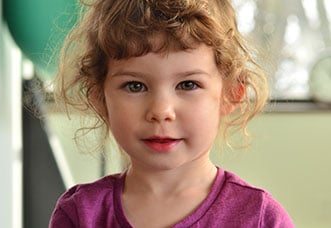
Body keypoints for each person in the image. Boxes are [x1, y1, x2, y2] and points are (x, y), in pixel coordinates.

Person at [49, 0, 294, 227]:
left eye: (188, 85)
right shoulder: (80, 214)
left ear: (230, 94)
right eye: (135, 86)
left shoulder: (260, 218)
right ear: (99, 97)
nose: (161, 111)